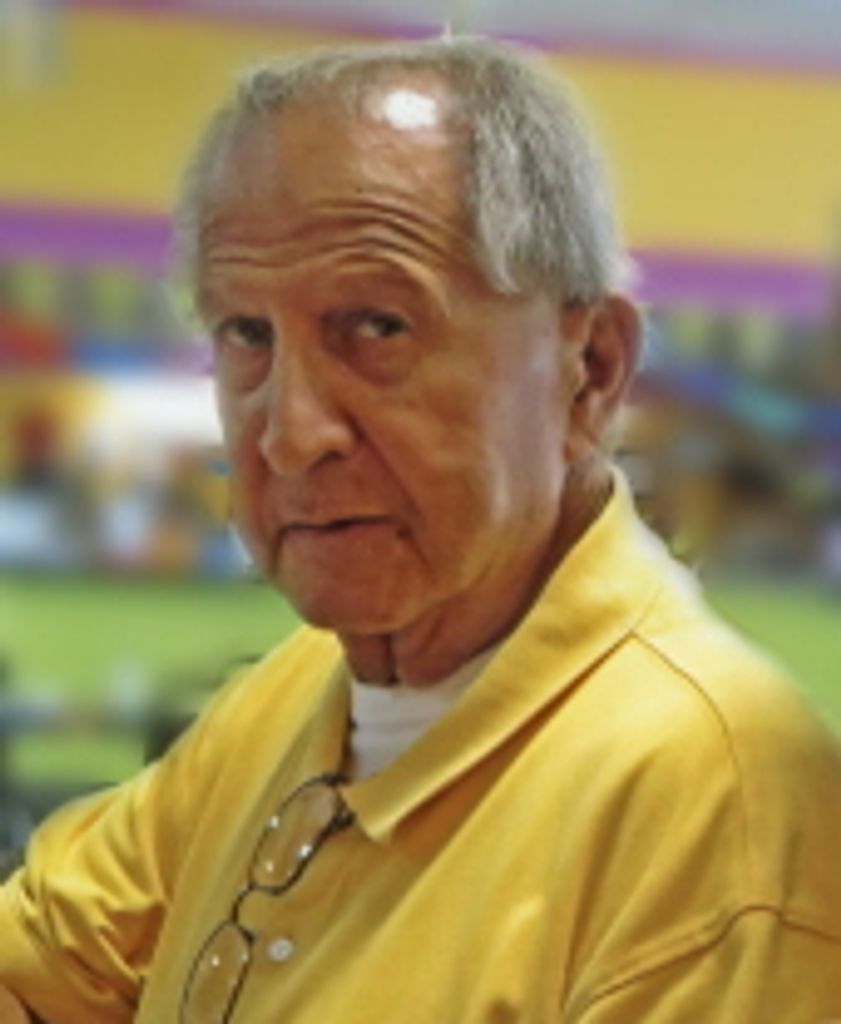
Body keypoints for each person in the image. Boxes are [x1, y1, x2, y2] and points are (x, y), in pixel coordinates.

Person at [1, 36, 840, 1024]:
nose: (289, 433)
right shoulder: (293, 701)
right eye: (246, 333)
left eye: (377, 326)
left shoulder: (713, 816)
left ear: (591, 369)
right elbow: (42, 965)